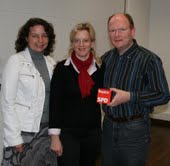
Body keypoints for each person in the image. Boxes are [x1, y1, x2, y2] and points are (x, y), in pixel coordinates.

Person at [101, 13, 170, 166]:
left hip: (134, 130)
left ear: (132, 31)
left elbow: (163, 95)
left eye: (122, 29)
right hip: (108, 127)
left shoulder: (149, 59)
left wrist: (130, 97)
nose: (116, 34)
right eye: (112, 30)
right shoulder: (106, 58)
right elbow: (102, 90)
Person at [0, 17, 58, 166]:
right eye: (34, 35)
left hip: (47, 132)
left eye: (44, 35)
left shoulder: (52, 63)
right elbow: (7, 102)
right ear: (26, 38)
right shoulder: (15, 61)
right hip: (23, 132)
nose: (40, 40)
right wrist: (14, 137)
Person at [48, 22, 105, 166]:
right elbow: (54, 103)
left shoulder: (100, 69)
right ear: (72, 43)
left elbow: (102, 98)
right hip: (68, 133)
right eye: (77, 40)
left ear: (92, 43)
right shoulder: (61, 68)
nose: (81, 45)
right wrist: (55, 137)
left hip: (93, 132)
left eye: (85, 40)